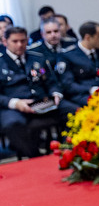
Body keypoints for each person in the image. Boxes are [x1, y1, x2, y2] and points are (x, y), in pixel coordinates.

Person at [0, 26, 77, 158]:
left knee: (75, 111)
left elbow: (52, 82)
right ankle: (35, 157)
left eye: (23, 41)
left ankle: (67, 150)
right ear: (5, 41)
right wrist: (15, 103)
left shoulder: (37, 58)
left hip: (42, 101)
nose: (20, 45)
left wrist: (56, 94)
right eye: (15, 41)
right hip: (15, 106)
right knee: (12, 124)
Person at [56, 21, 99, 107]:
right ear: (88, 37)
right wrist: (90, 89)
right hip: (82, 94)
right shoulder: (68, 56)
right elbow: (68, 85)